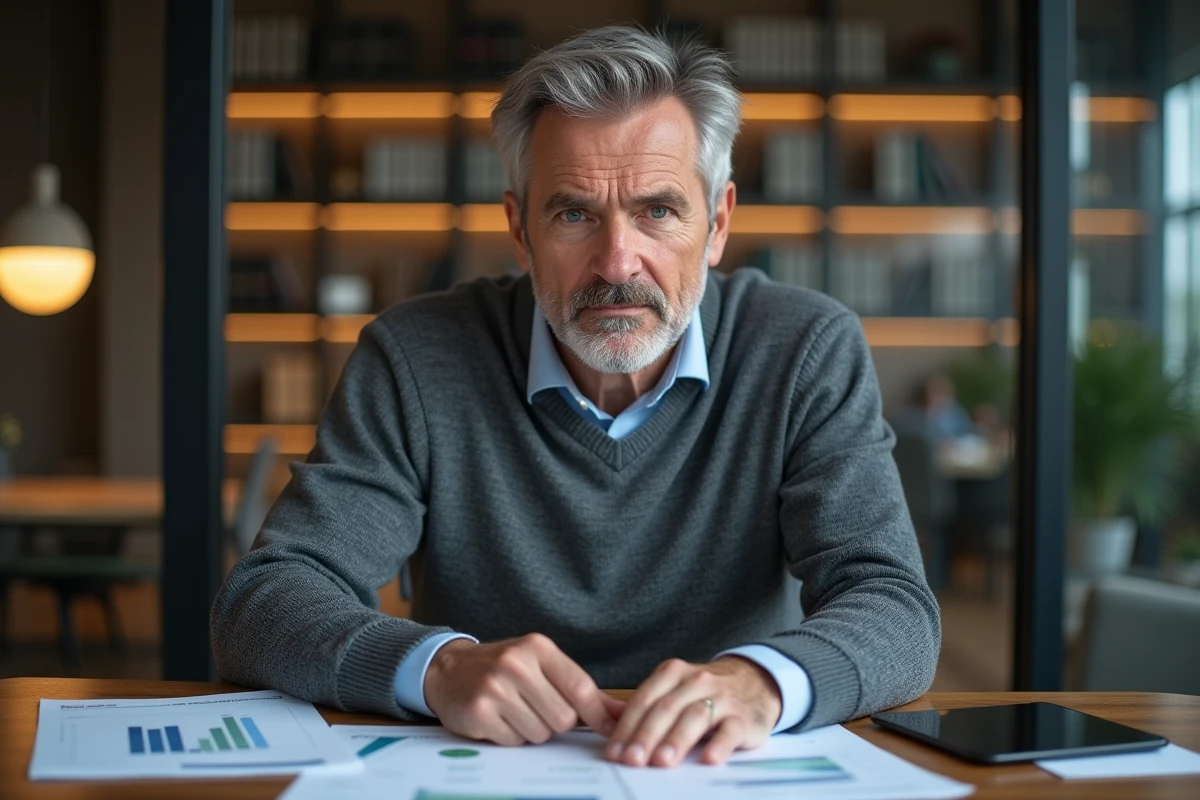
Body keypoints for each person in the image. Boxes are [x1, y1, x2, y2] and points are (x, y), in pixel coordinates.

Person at [211, 25, 940, 770]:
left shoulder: (804, 349)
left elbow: (893, 607)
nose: (617, 261)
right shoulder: (415, 356)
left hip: (718, 774)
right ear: (520, 230)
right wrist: (439, 668)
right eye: (574, 214)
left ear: (717, 224)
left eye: (658, 210)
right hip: (480, 775)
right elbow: (263, 604)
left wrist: (761, 683)